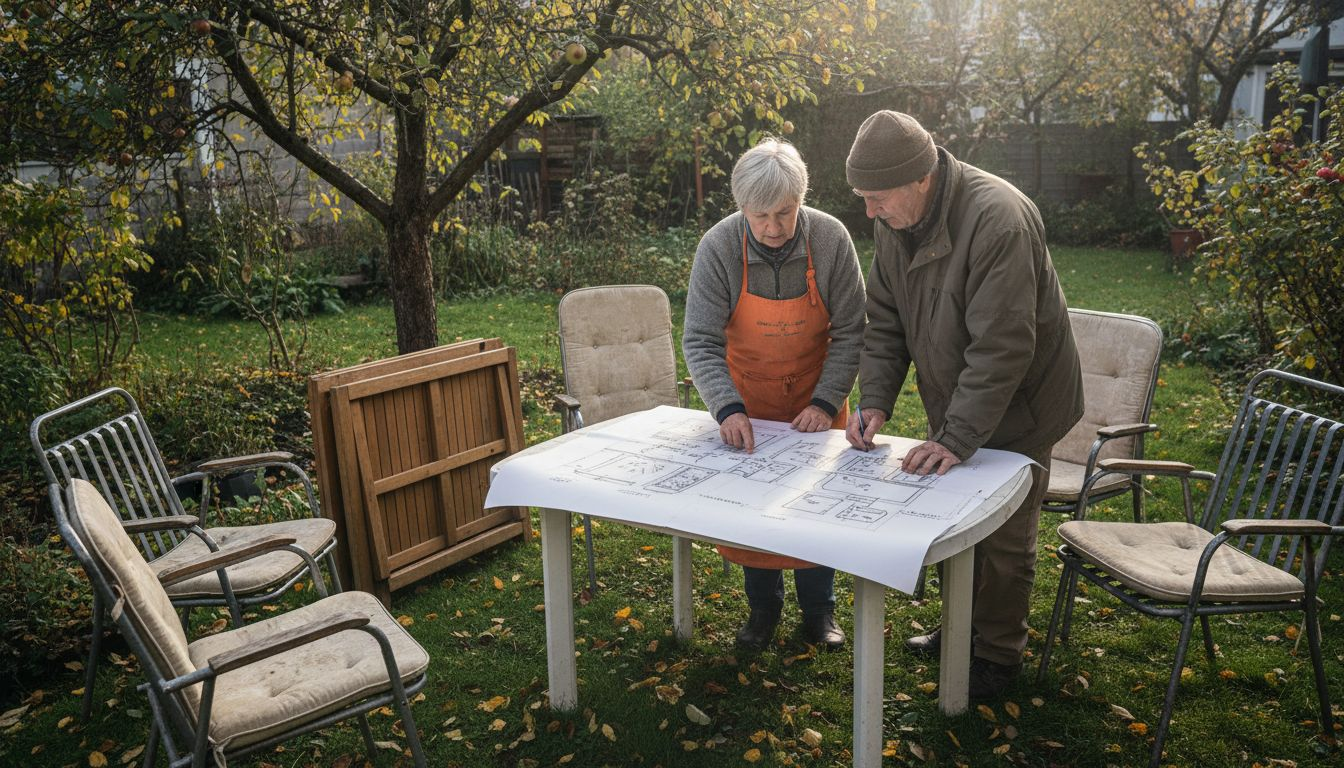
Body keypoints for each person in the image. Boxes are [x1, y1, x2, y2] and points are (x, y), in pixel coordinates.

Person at [843, 110, 1083, 699]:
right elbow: (887, 323)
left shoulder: (999, 219)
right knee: (952, 521)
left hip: (1022, 401)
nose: (868, 211)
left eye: (876, 198)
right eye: (862, 198)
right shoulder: (893, 220)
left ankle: (998, 656)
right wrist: (875, 400)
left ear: (920, 178)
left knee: (1003, 538)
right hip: (960, 396)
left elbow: (1003, 346)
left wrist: (955, 437)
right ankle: (958, 632)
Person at [683, 138, 865, 652]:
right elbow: (699, 337)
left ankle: (820, 611)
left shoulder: (831, 239)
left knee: (817, 508)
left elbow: (852, 330)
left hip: (817, 398)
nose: (772, 228)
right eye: (759, 215)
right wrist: (726, 406)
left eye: (784, 213)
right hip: (750, 404)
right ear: (741, 208)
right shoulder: (719, 247)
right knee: (754, 510)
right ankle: (762, 611)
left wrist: (826, 402)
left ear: (801, 201)